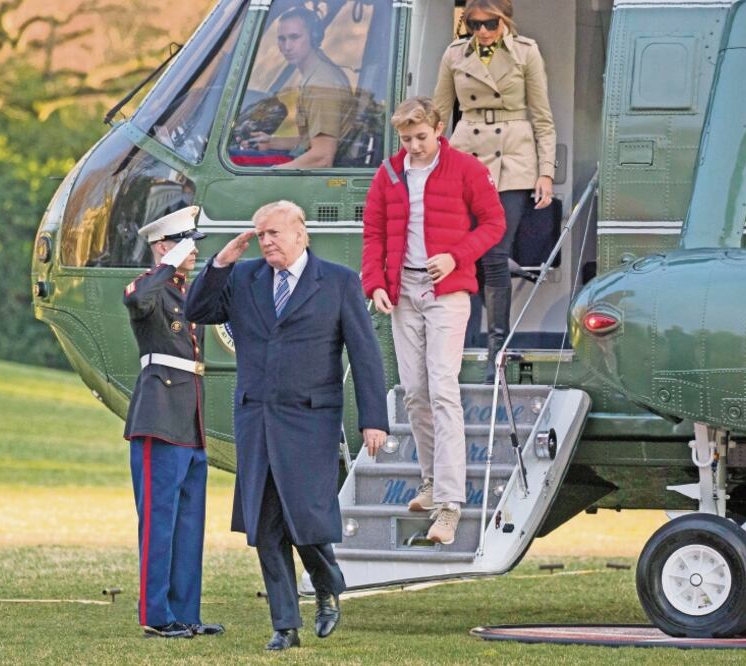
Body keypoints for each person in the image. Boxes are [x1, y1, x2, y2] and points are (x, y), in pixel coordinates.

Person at [185, 200, 388, 651]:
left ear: (302, 234)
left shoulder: (336, 281)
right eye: (261, 235)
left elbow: (364, 353)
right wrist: (220, 262)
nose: (267, 241)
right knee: (265, 522)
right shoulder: (243, 277)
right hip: (256, 415)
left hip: (310, 418)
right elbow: (196, 309)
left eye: (275, 232)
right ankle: (285, 625)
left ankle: (327, 583)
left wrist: (374, 419)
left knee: (306, 516)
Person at [361, 97, 505, 544]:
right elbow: (375, 232)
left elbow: (494, 223)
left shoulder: (465, 168)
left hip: (448, 291)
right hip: (403, 290)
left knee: (443, 389)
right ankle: (428, 477)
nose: (414, 147)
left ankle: (449, 503)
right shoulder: (388, 173)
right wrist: (376, 284)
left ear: (439, 129)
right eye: (406, 140)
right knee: (415, 392)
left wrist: (456, 255)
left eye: (421, 138)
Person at [433, 0, 556, 381]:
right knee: (459, 253)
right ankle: (458, 343)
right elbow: (438, 113)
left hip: (514, 161)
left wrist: (546, 172)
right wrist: (426, 166)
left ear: (504, 22)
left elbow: (542, 118)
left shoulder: (526, 52)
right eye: (474, 24)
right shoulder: (455, 55)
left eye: (490, 24)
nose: (482, 31)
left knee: (495, 254)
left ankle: (495, 352)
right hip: (466, 152)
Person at [122, 206, 224, 639]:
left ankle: (185, 613)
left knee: (188, 522)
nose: (195, 250)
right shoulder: (153, 287)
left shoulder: (187, 290)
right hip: (158, 417)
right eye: (187, 242)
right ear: (166, 247)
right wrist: (165, 261)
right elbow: (135, 298)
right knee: (159, 521)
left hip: (189, 418)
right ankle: (156, 615)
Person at [243, 7, 355, 168]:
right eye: (282, 39)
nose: (287, 46)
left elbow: (322, 157)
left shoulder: (321, 85)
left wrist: (271, 174)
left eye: (294, 37)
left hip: (319, 176)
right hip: (308, 159)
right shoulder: (316, 73)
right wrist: (271, 142)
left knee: (236, 162)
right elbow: (314, 139)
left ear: (314, 38)